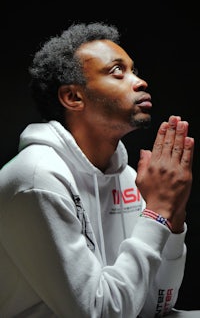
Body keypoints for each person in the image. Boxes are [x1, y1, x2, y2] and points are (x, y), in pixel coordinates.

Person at [0, 21, 197, 318]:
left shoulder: (129, 179)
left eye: (134, 70)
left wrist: (172, 217)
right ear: (73, 97)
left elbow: (158, 305)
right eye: (118, 71)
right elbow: (99, 314)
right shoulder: (37, 179)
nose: (140, 82)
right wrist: (156, 212)